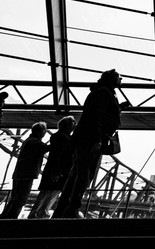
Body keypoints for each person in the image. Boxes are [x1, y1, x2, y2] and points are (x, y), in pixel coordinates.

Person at [53, 70, 123, 218]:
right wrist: (98, 138)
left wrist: (119, 108)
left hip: (86, 138)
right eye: (118, 77)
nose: (120, 79)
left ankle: (63, 208)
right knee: (84, 175)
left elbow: (99, 114)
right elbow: (96, 116)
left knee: (77, 174)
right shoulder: (104, 93)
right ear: (111, 79)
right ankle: (72, 209)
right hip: (91, 139)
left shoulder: (100, 92)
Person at [30, 116, 75, 218]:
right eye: (73, 124)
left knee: (47, 195)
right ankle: (38, 216)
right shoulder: (61, 137)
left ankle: (36, 216)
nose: (74, 126)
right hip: (57, 172)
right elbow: (57, 155)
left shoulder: (59, 136)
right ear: (67, 126)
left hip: (56, 171)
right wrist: (57, 171)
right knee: (49, 196)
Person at [1, 122, 48, 219]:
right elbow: (45, 148)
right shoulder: (34, 142)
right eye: (45, 131)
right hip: (26, 175)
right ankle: (11, 220)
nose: (45, 133)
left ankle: (5, 219)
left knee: (14, 200)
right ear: (41, 131)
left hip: (20, 174)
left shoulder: (28, 141)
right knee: (20, 200)